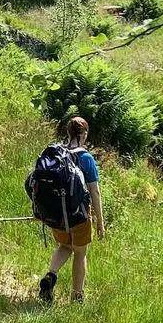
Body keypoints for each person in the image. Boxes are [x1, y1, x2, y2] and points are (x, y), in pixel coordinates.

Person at [38, 116, 105, 305]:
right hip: (79, 216)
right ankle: (77, 297)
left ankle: (51, 276)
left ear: (67, 132)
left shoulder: (56, 153)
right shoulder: (86, 158)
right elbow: (95, 191)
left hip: (58, 215)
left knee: (64, 246)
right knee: (80, 252)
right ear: (84, 134)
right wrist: (100, 221)